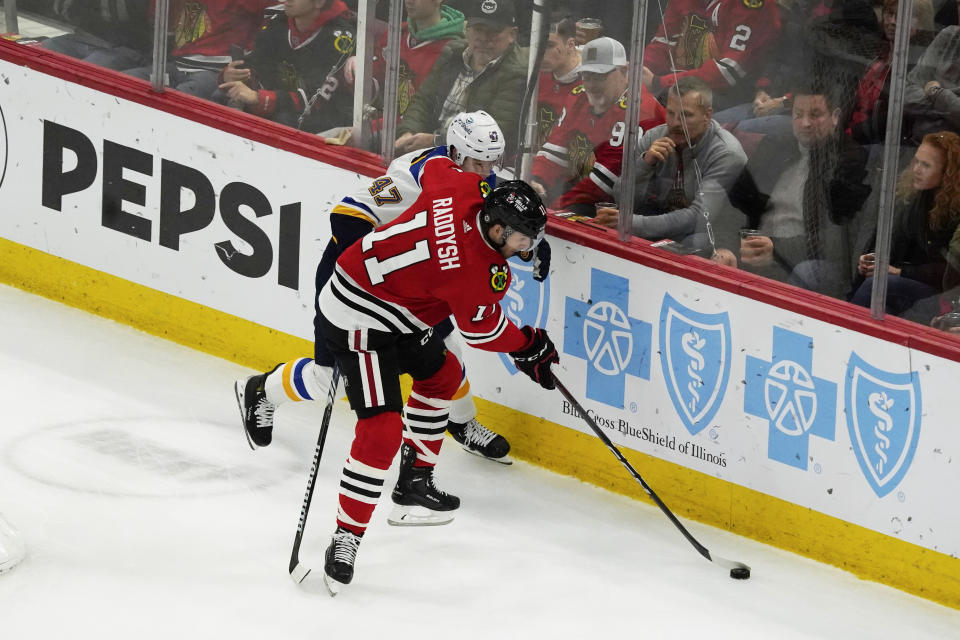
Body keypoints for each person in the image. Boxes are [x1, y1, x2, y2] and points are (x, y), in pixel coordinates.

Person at [236, 112, 550, 468]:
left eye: (495, 161)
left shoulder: (478, 176)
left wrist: (530, 239)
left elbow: (501, 215)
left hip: (417, 288)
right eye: (480, 162)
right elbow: (345, 214)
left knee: (448, 352)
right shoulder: (409, 178)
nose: (489, 169)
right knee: (331, 379)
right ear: (456, 154)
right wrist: (374, 282)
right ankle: (263, 390)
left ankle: (461, 423)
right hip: (359, 281)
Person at [315, 173, 557, 595]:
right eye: (522, 239)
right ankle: (346, 537)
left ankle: (413, 483)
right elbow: (484, 333)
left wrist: (524, 210)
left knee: (443, 375)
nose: (526, 247)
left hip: (398, 304)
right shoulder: (474, 270)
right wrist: (528, 345)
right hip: (361, 316)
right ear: (497, 230)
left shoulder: (461, 186)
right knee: (382, 429)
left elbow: (429, 166)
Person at [730, 82, 872, 298]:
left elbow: (840, 239)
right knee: (703, 245)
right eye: (798, 114)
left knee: (808, 272)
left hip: (803, 261)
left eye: (815, 115)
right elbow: (734, 201)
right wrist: (725, 245)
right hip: (757, 249)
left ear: (835, 116)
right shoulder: (774, 147)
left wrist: (776, 250)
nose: (805, 123)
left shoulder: (850, 161)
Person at [591, 77, 746, 256]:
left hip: (712, 235)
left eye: (686, 115)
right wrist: (645, 163)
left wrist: (631, 223)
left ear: (707, 115)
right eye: (670, 113)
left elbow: (698, 218)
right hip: (662, 222)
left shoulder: (726, 153)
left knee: (696, 242)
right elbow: (620, 197)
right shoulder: (654, 137)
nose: (675, 123)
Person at [530, 37, 666, 203]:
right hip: (578, 192)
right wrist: (537, 180)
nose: (591, 85)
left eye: (599, 77)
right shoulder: (578, 96)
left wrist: (556, 210)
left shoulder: (639, 110)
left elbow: (604, 182)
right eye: (587, 76)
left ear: (624, 72)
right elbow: (555, 148)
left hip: (626, 204)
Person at [393, 0, 528, 158]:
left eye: (493, 32)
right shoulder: (452, 53)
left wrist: (436, 141)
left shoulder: (518, 72)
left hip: (475, 163)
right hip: (425, 149)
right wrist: (408, 132)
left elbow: (491, 135)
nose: (483, 38)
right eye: (478, 29)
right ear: (467, 29)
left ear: (513, 35)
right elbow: (423, 100)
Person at [850, 131, 960, 322]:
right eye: (916, 161)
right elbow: (892, 242)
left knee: (878, 287)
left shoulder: (954, 211)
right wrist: (872, 261)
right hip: (908, 280)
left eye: (926, 165)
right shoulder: (913, 196)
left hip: (942, 295)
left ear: (947, 172)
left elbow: (951, 272)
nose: (916, 169)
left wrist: (899, 272)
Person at [217, 0, 357, 133]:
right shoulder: (278, 24)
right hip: (282, 105)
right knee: (220, 96)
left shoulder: (341, 38)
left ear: (319, 2)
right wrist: (232, 75)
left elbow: (316, 98)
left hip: (329, 118)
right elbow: (257, 64)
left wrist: (260, 98)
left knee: (283, 120)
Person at [640, 0, 782, 111]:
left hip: (732, 93)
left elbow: (728, 70)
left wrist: (659, 82)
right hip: (678, 85)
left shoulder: (750, 4)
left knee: (656, 111)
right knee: (628, 99)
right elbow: (664, 42)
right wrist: (637, 71)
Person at [122, 0, 271, 100]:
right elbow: (160, 20)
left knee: (175, 100)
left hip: (215, 71)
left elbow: (272, 16)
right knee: (124, 83)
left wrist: (248, 57)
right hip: (177, 66)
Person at [903, 25, 960, 143]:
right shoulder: (950, 35)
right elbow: (906, 92)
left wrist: (936, 93)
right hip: (919, 143)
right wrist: (949, 109)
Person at [535, 16, 581, 150]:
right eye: (538, 45)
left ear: (570, 45)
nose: (541, 53)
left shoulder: (593, 80)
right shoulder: (537, 75)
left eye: (549, 45)